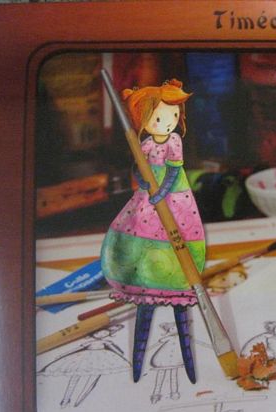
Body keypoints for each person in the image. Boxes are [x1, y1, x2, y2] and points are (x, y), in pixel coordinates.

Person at [100, 79, 205, 383]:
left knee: (177, 247)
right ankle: (142, 279)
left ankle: (175, 281)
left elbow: (173, 170)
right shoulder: (145, 144)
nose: (168, 122)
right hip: (149, 200)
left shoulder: (174, 142)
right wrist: (144, 182)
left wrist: (162, 191)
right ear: (142, 122)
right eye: (159, 118)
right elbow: (138, 167)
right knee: (140, 234)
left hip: (175, 201)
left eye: (173, 116)